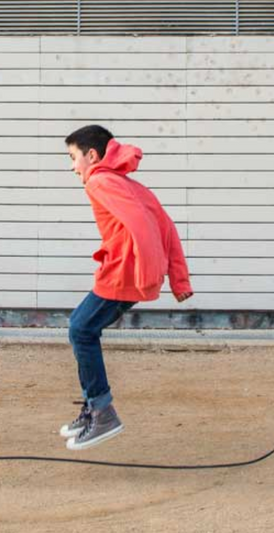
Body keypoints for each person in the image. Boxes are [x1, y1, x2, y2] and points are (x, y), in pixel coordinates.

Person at [60, 125, 193, 450]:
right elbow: (164, 222)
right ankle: (94, 407)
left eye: (74, 157)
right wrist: (177, 279)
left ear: (92, 155)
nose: (73, 166)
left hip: (123, 274)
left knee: (81, 330)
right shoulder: (124, 182)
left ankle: (102, 412)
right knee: (82, 328)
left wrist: (149, 276)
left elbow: (143, 225)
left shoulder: (99, 181)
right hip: (128, 273)